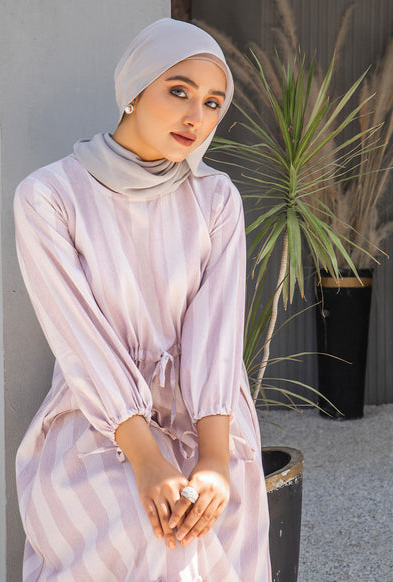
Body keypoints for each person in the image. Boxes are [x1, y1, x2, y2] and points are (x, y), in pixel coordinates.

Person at [14, 17, 271, 582]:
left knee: (207, 533)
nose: (195, 116)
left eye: (212, 103)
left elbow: (216, 338)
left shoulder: (216, 199)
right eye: (178, 91)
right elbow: (80, 338)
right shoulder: (50, 196)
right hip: (101, 424)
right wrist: (147, 459)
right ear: (134, 88)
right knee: (155, 540)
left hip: (207, 422)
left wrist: (215, 462)